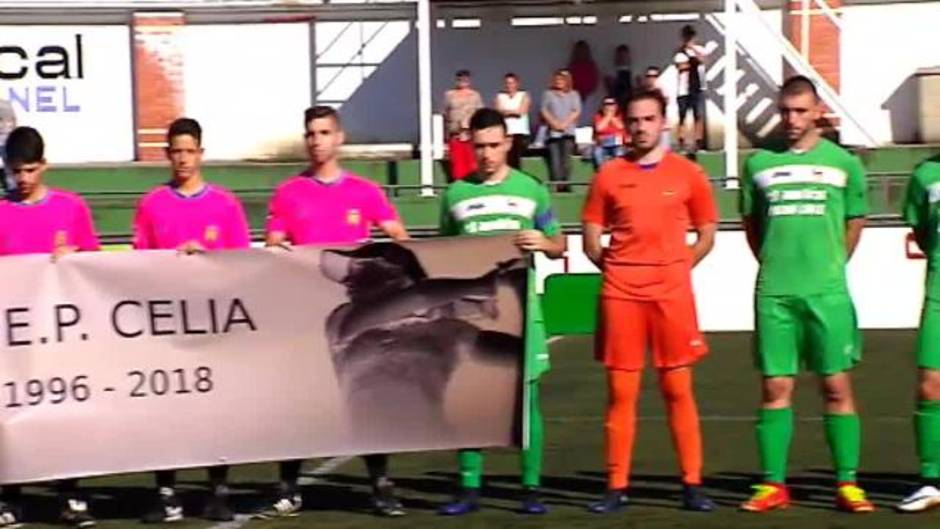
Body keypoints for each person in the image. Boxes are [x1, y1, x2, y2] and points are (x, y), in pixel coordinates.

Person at [261, 105, 409, 518]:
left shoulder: (364, 191)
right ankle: (288, 486)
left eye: (324, 132)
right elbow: (274, 245)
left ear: (339, 137)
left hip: (357, 318)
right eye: (310, 133)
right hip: (306, 315)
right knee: (300, 399)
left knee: (365, 395)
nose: (317, 140)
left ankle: (381, 484)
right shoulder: (288, 192)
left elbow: (399, 238)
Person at [738, 76, 873, 513]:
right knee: (776, 386)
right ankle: (773, 484)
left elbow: (854, 223)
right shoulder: (758, 164)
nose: (792, 120)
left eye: (800, 111)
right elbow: (752, 227)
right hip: (775, 292)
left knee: (836, 385)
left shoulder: (845, 164)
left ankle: (848, 484)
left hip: (826, 293)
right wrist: (776, 264)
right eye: (785, 111)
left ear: (818, 111)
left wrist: (831, 266)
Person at [581, 90, 717, 514]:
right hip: (621, 294)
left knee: (677, 388)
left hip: (671, 294)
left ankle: (692, 484)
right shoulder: (607, 175)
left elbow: (707, 232)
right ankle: (616, 486)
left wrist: (676, 267)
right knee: (622, 391)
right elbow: (590, 241)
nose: (640, 126)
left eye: (648, 118)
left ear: (664, 122)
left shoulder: (689, 174)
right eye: (634, 119)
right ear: (624, 123)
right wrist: (623, 271)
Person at [436, 107, 565, 516]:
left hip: (522, 307)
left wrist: (542, 244)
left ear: (508, 143)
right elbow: (443, 253)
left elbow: (560, 244)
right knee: (469, 396)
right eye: (479, 147)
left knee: (526, 398)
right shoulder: (455, 194)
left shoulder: (533, 190)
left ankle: (531, 488)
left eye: (494, 145)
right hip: (472, 313)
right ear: (469, 147)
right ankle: (469, 486)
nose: (487, 154)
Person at [132, 117, 250, 523]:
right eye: (175, 151)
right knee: (167, 408)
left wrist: (209, 260)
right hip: (167, 328)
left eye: (189, 151)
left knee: (216, 409)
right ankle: (166, 491)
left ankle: (218, 490)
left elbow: (243, 265)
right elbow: (140, 262)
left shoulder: (225, 204)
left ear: (201, 153)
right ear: (167, 154)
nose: (182, 159)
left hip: (213, 326)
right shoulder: (152, 204)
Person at [0, 126, 100, 528]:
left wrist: (75, 256)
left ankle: (70, 493)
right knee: (11, 413)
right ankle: (10, 495)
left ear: (45, 165)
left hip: (61, 334)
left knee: (65, 412)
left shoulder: (71, 208)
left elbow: (97, 267)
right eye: (15, 171)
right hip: (13, 337)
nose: (22, 180)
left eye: (29, 170)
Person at [898, 154, 940, 512]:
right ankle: (931, 481)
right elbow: (924, 234)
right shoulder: (926, 175)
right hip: (939, 295)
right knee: (931, 384)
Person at [541, 70, 581, 191]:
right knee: (555, 159)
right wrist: (554, 123)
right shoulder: (548, 94)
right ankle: (557, 185)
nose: (559, 82)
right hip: (553, 133)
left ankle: (566, 184)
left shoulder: (574, 94)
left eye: (562, 80)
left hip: (568, 132)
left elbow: (576, 111)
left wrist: (565, 124)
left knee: (566, 160)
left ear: (567, 81)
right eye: (557, 80)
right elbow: (544, 110)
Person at [443, 70, 484, 181]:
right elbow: (445, 114)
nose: (462, 81)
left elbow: (480, 113)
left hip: (470, 133)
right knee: (457, 163)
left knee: (471, 161)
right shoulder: (449, 95)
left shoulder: (475, 95)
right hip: (455, 134)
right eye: (460, 79)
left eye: (465, 79)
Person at [674, 25, 709, 153]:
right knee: (682, 116)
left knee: (698, 116)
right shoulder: (679, 52)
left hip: (698, 88)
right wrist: (691, 61)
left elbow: (703, 60)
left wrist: (693, 49)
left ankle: (698, 143)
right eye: (686, 36)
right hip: (683, 89)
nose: (689, 38)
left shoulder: (699, 49)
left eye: (691, 36)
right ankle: (681, 142)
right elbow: (680, 66)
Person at [494, 73, 531, 169]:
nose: (509, 85)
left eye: (511, 83)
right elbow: (498, 112)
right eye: (507, 83)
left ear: (517, 83)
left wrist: (506, 111)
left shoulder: (524, 95)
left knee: (516, 159)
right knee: (506, 159)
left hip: (519, 133)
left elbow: (522, 111)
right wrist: (513, 111)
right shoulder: (500, 96)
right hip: (506, 133)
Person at [640, 66, 672, 151]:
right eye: (649, 76)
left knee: (664, 152)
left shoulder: (664, 91)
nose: (652, 79)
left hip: (662, 127)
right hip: (647, 127)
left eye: (655, 76)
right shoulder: (642, 92)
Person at [592, 97, 627, 169]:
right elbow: (599, 128)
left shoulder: (620, 116)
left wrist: (611, 116)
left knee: (619, 153)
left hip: (617, 144)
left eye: (611, 104)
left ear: (616, 106)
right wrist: (608, 116)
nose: (608, 106)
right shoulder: (598, 116)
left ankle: (618, 172)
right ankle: (603, 172)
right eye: (606, 104)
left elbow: (621, 126)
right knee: (597, 152)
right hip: (602, 144)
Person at [606, 44, 633, 110]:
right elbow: (609, 88)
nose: (622, 58)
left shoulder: (635, 71)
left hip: (630, 101)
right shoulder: (610, 71)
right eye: (620, 56)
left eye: (624, 56)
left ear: (628, 56)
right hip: (616, 101)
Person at [0, 97, 16, 192]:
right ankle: (11, 185)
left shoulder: (5, 105)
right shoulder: (7, 104)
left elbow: (13, 121)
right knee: (8, 163)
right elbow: (14, 121)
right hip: (7, 135)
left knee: (8, 164)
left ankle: (11, 185)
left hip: (5, 136)